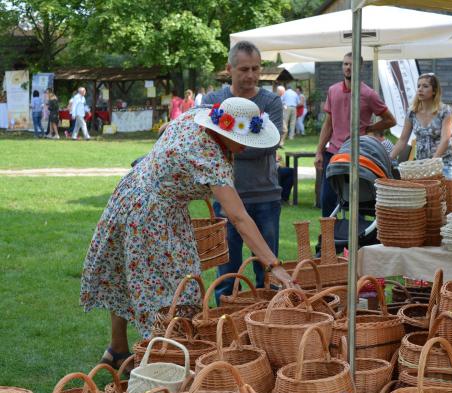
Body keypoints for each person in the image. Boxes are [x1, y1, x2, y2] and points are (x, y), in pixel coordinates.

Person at [80, 97, 294, 368]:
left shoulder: (197, 115)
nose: (245, 147)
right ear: (224, 129)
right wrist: (273, 265)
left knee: (126, 273)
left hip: (131, 193)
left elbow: (165, 135)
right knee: (174, 291)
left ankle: (118, 349)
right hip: (151, 216)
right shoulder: (210, 160)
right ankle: (162, 363)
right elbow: (239, 217)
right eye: (243, 140)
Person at [202, 41, 284, 301]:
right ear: (229, 69)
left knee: (268, 274)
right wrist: (250, 139)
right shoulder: (213, 101)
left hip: (265, 196)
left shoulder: (270, 101)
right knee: (227, 274)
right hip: (227, 197)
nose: (250, 75)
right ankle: (226, 329)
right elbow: (205, 145)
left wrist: (226, 142)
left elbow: (269, 146)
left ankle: (268, 328)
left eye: (256, 69)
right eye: (244, 69)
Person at [315, 52, 396, 217]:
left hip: (357, 154)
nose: (348, 67)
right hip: (334, 152)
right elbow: (328, 124)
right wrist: (319, 151)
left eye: (351, 64)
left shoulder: (369, 94)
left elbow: (390, 120)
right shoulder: (333, 90)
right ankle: (328, 241)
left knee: (356, 201)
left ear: (360, 67)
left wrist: (369, 129)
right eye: (345, 64)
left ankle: (357, 241)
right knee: (327, 200)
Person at [390, 73, 452, 179]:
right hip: (421, 166)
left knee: (444, 195)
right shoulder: (412, 112)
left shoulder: (445, 111)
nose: (420, 89)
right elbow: (402, 140)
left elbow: (445, 139)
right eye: (418, 86)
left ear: (434, 91)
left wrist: (431, 163)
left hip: (444, 164)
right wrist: (387, 159)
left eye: (425, 86)